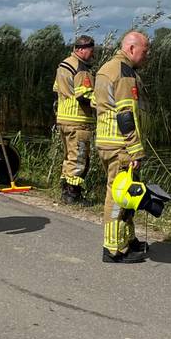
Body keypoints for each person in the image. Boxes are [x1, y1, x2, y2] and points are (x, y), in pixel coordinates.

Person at [94, 31, 149, 263]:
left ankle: (128, 239)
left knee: (126, 195)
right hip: (121, 145)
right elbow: (126, 115)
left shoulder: (106, 68)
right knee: (118, 197)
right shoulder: (124, 73)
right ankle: (114, 248)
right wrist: (135, 148)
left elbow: (98, 103)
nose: (147, 56)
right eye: (145, 51)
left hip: (107, 141)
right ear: (132, 48)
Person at [53, 35, 96, 203]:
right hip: (78, 119)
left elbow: (56, 89)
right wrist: (101, 101)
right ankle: (73, 194)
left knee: (69, 156)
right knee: (79, 158)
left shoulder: (63, 65)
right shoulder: (81, 68)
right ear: (81, 50)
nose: (93, 54)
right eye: (91, 51)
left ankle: (66, 190)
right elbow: (84, 95)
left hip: (63, 118)